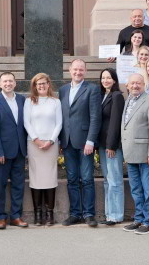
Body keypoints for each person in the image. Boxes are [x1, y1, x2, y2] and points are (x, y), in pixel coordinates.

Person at [58, 59, 102, 227]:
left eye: (81, 70)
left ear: (85, 71)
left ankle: (89, 214)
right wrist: (61, 139)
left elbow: (95, 117)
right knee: (72, 179)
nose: (78, 72)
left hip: (85, 142)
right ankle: (75, 213)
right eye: (75, 69)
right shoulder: (62, 90)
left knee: (87, 179)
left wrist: (91, 140)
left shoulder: (92, 89)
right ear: (69, 70)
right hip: (68, 142)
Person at [120, 73, 149, 236]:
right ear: (127, 86)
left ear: (143, 84)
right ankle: (139, 218)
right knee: (136, 189)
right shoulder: (128, 101)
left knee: (148, 189)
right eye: (132, 83)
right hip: (130, 153)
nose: (135, 86)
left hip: (145, 155)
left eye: (138, 83)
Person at [0, 72, 28, 230]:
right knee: (0, 185)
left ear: (15, 83)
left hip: (19, 150)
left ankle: (16, 216)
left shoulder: (22, 100)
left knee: (18, 184)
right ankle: (1, 217)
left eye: (11, 81)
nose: (8, 83)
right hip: (2, 151)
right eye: (5, 81)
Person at [23, 72, 62, 226]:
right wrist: (37, 140)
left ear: (48, 84)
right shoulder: (29, 101)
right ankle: (38, 214)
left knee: (50, 177)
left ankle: (49, 213)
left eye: (44, 83)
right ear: (35, 86)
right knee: (36, 178)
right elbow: (26, 122)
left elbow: (59, 123)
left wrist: (51, 140)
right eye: (38, 84)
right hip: (34, 144)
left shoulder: (55, 102)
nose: (41, 86)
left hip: (51, 145)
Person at [98, 68, 124, 226]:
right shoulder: (102, 96)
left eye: (109, 78)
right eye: (103, 78)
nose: (105, 80)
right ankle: (109, 213)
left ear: (114, 80)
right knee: (108, 181)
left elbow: (115, 122)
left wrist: (111, 145)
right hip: (102, 144)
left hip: (111, 145)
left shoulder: (117, 96)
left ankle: (116, 215)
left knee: (115, 180)